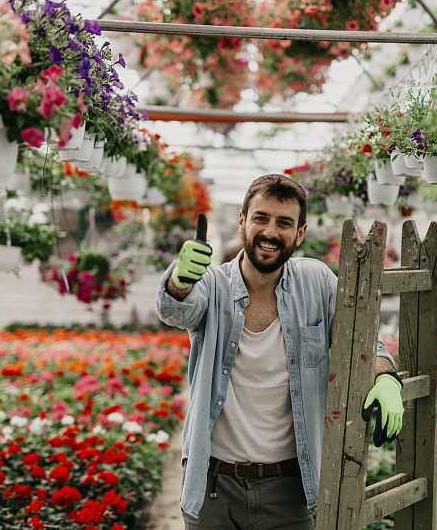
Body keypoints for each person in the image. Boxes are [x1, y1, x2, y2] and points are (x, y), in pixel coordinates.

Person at [156, 174, 404, 529]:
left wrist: (385, 376)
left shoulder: (316, 282)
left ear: (300, 234)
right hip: (213, 489)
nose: (271, 232)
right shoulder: (212, 284)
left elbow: (362, 338)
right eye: (261, 218)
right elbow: (177, 310)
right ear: (243, 221)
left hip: (289, 491)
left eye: (284, 223)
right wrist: (180, 280)